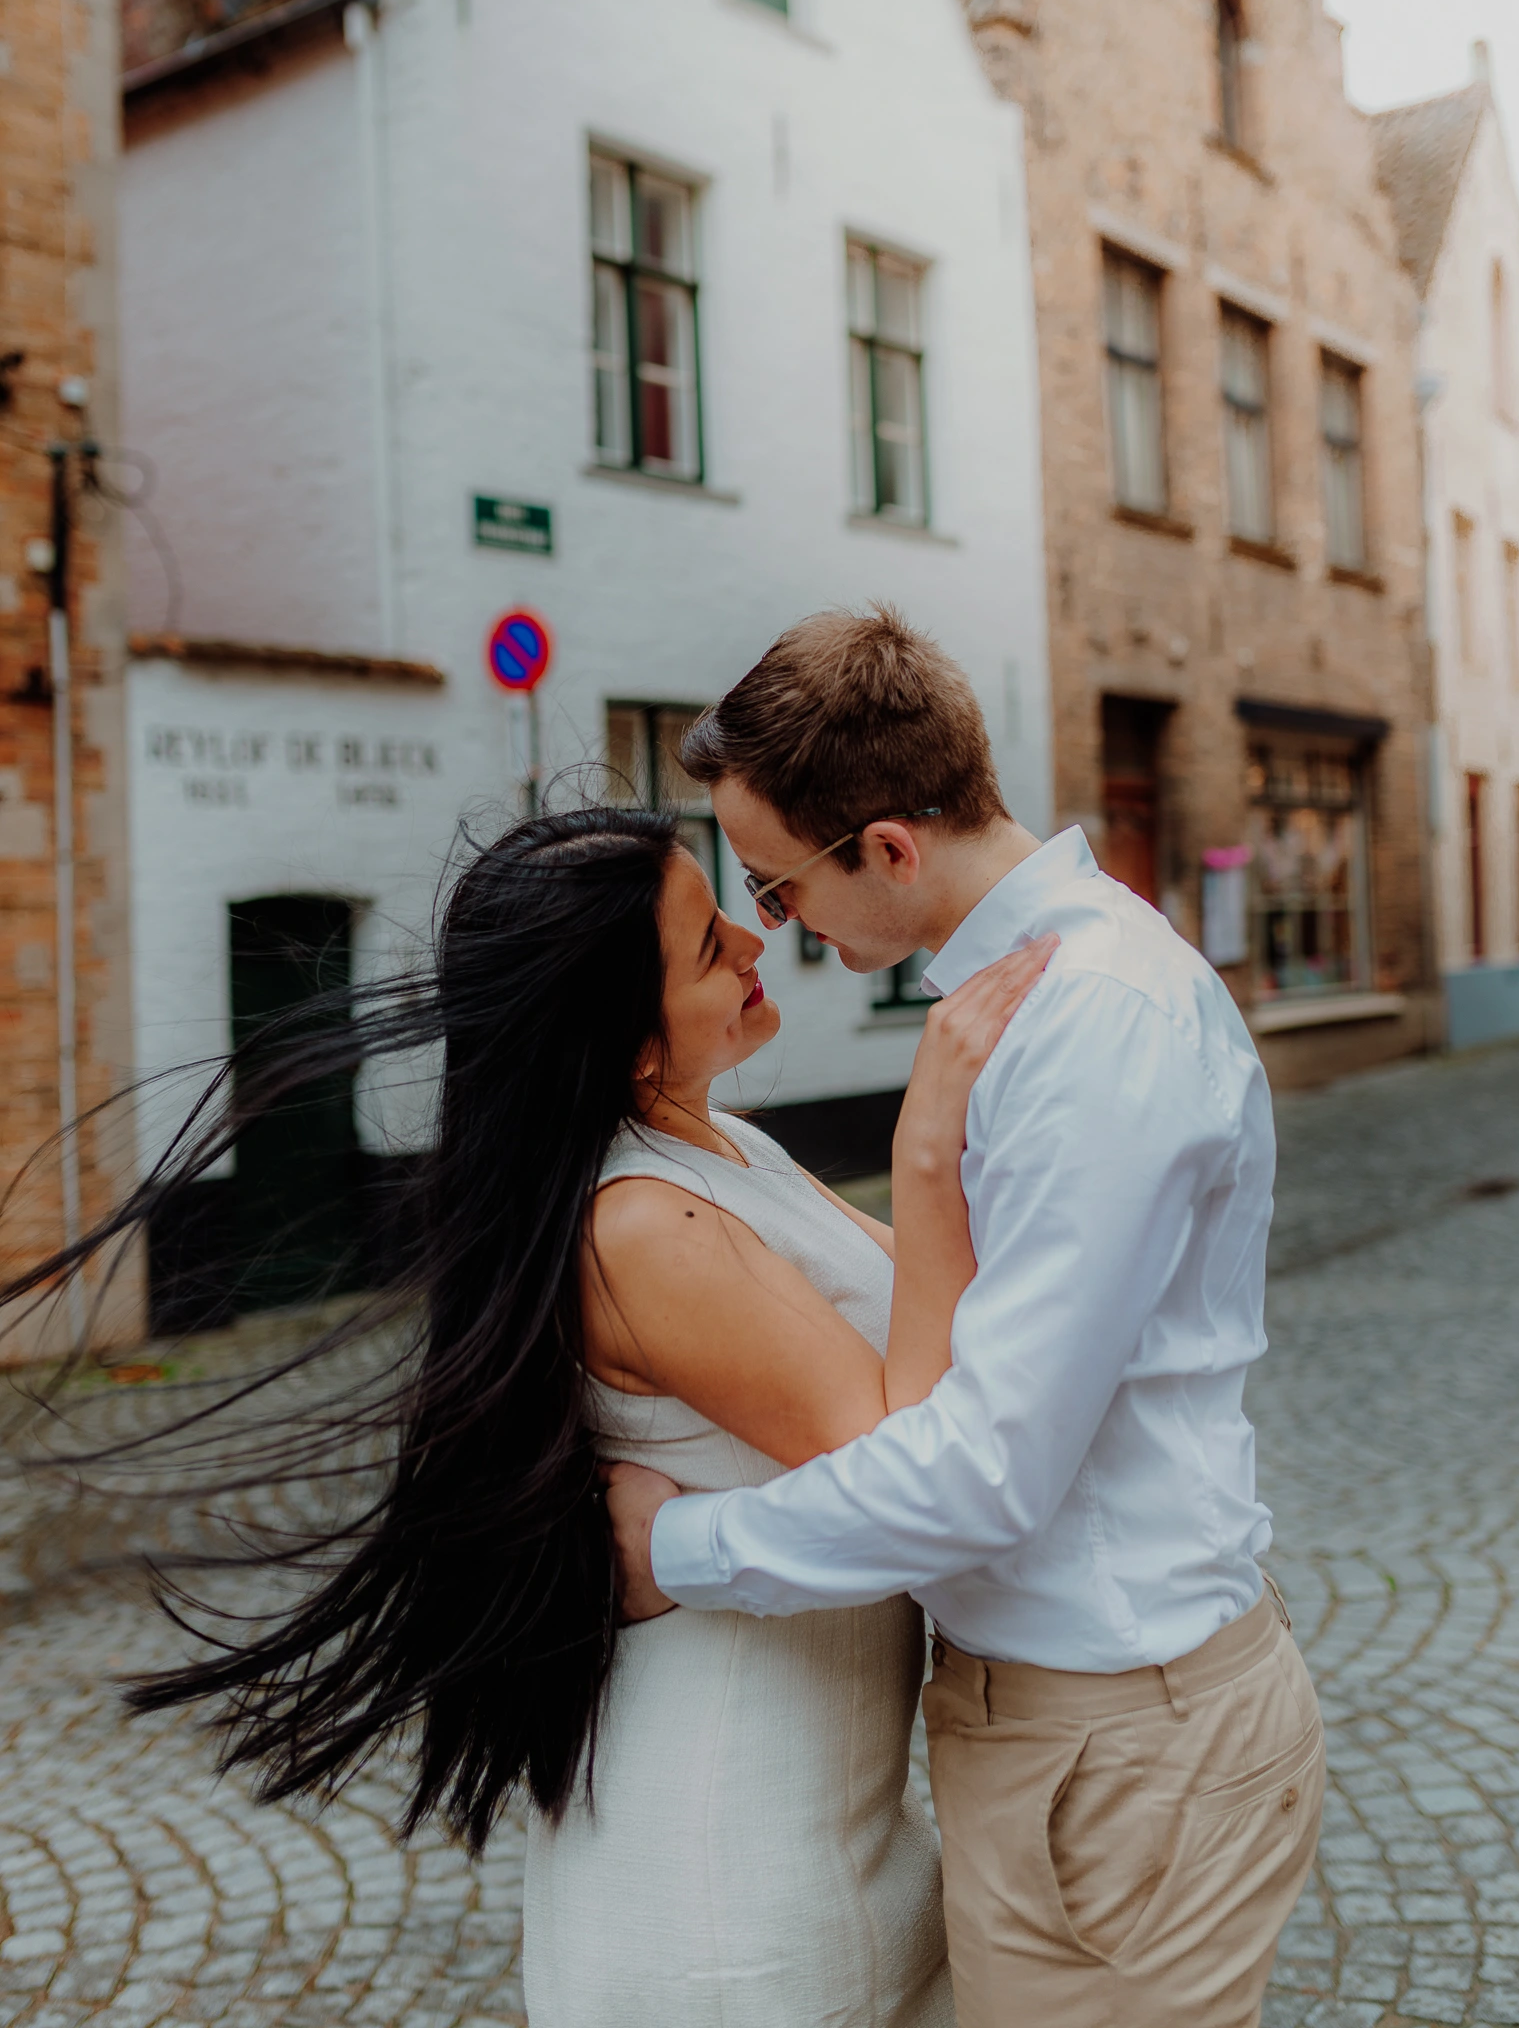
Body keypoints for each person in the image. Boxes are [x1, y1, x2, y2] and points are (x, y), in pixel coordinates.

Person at [4, 800, 1051, 2027]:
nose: (753, 939)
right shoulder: (641, 1228)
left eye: (724, 907)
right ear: (626, 1048)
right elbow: (911, 1465)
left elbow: (952, 1320)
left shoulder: (728, 1157)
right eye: (709, 945)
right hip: (735, 1891)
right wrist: (928, 1149)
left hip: (835, 1838)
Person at [607, 606, 1326, 2028]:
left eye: (777, 882)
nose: (770, 924)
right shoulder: (1033, 1006)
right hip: (1076, 1723)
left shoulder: (1088, 1029)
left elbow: (986, 1470)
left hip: (1117, 1734)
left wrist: (673, 1547)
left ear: (886, 846)